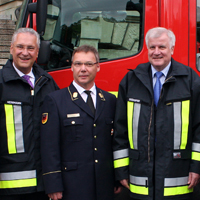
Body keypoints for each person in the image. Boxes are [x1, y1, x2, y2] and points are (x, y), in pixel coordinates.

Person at [113, 27, 200, 200]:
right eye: (152, 47)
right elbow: (120, 129)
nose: (157, 52)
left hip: (178, 176)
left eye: (162, 47)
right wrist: (121, 170)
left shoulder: (190, 80)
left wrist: (196, 167)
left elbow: (199, 127)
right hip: (140, 176)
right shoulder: (131, 80)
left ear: (172, 49)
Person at [40, 45, 120, 200]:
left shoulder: (110, 100)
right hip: (72, 186)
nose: (83, 69)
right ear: (71, 67)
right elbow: (49, 146)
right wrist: (53, 184)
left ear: (98, 67)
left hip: (104, 185)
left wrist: (117, 176)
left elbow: (115, 142)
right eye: (78, 64)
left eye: (89, 64)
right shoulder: (55, 100)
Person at [0, 28, 59, 200]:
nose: (25, 53)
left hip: (43, 185)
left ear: (37, 53)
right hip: (9, 187)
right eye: (20, 47)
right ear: (11, 49)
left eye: (30, 48)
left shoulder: (48, 83)